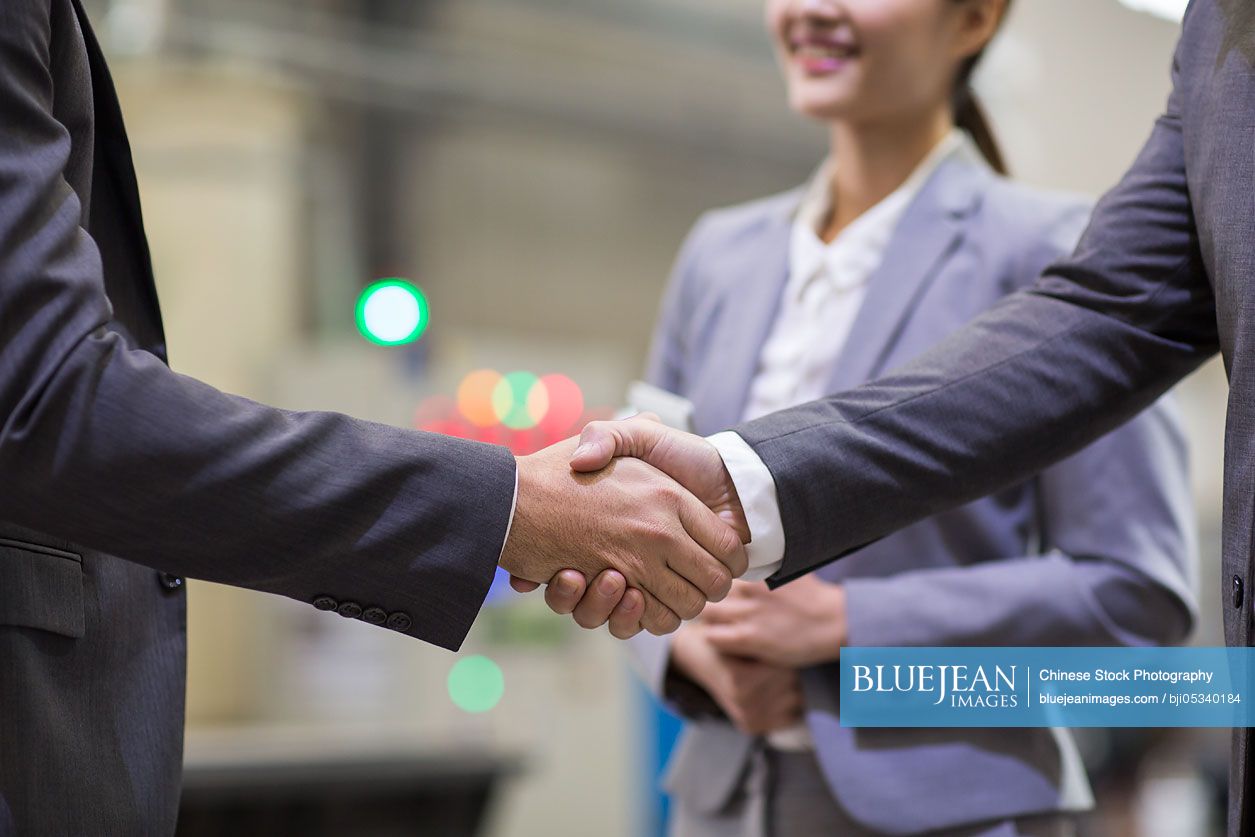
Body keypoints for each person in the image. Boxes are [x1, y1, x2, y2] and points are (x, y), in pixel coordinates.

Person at [0, 1, 747, 832]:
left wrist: (850, 666)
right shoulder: (719, 265)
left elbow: (892, 567)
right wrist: (676, 649)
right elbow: (47, 396)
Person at [551, 0, 1255, 832]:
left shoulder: (1058, 254)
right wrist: (687, 655)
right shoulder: (717, 256)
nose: (813, 10)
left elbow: (1139, 607)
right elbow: (641, 526)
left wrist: (850, 637)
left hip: (954, 811)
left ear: (972, 20)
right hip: (723, 801)